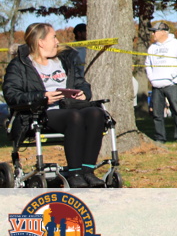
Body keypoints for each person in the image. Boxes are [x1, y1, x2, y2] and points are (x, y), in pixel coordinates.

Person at [3, 23, 105, 188]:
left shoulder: (65, 60)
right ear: (41, 42)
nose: (57, 41)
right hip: (39, 113)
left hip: (69, 107)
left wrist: (84, 93)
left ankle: (88, 171)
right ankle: (75, 173)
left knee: (97, 113)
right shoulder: (20, 65)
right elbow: (12, 95)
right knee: (74, 117)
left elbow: (81, 82)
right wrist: (42, 97)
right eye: (54, 37)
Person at [144, 20, 177, 143]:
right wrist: (152, 78)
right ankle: (160, 138)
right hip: (156, 85)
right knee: (157, 114)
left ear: (163, 32)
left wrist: (171, 75)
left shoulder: (176, 44)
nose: (153, 34)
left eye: (154, 32)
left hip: (171, 84)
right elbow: (147, 64)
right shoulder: (152, 48)